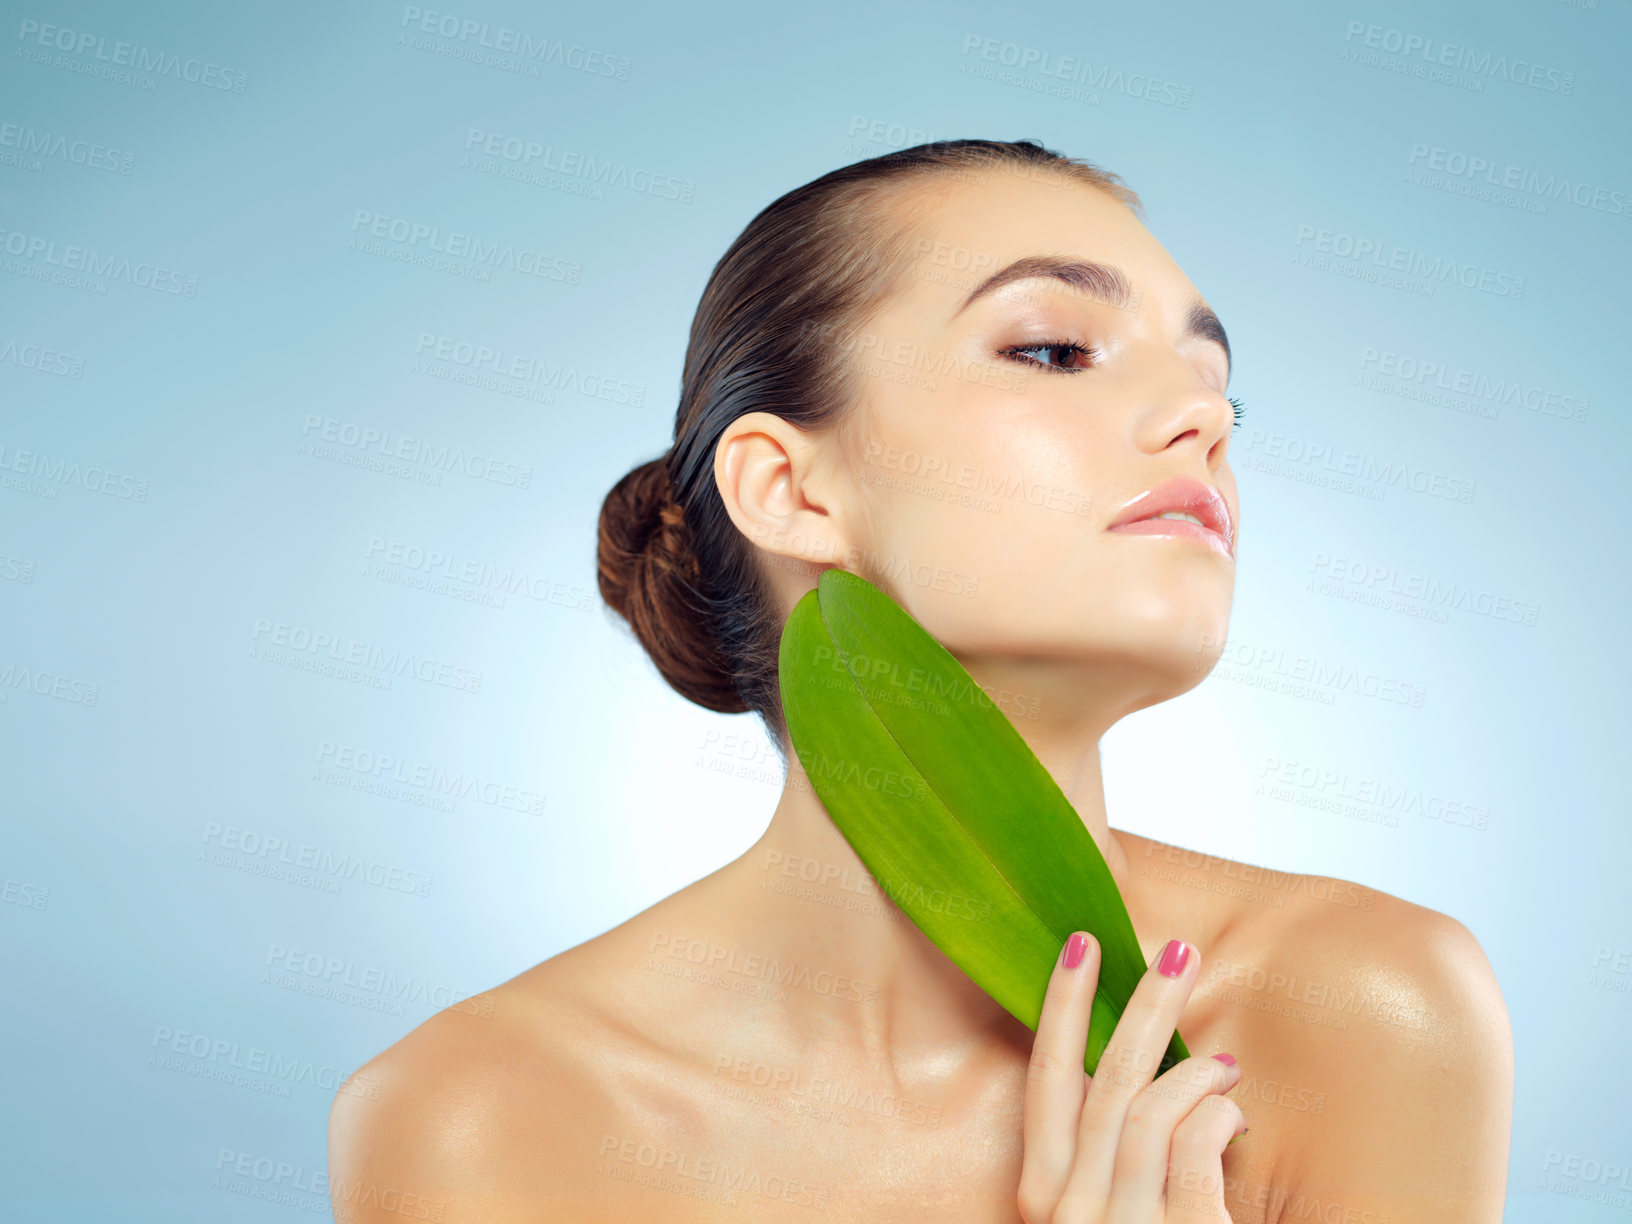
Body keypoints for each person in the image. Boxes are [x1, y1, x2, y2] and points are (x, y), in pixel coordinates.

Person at [328, 139, 1513, 1222]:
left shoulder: (1358, 1010)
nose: (1203, 416)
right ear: (789, 490)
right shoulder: (482, 1122)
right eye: (1052, 349)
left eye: (1222, 388)